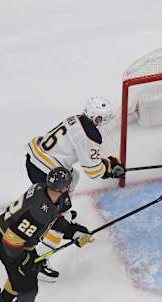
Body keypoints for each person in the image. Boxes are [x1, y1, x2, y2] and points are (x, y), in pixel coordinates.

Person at [0, 167, 93, 302]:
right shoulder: (39, 211)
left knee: (21, 276)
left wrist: (73, 232)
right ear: (65, 187)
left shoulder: (44, 191)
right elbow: (11, 241)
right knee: (28, 290)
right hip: (9, 244)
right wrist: (23, 262)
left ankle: (2, 301)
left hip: (15, 240)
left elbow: (54, 219)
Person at [25, 97, 124, 281]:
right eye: (104, 120)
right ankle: (37, 262)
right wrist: (109, 172)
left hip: (36, 159)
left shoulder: (76, 119)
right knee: (55, 221)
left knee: (73, 176)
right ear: (98, 119)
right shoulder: (89, 136)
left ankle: (60, 210)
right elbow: (93, 171)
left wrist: (107, 163)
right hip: (44, 172)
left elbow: (82, 152)